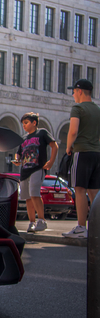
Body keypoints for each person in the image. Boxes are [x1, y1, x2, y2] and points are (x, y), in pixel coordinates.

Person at [62, 79, 100, 238]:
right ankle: (97, 227)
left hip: (82, 152)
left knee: (79, 190)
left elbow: (73, 131)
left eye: (74, 91)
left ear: (80, 91)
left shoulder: (77, 108)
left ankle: (80, 227)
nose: (73, 94)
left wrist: (69, 147)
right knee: (94, 192)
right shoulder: (98, 110)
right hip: (97, 153)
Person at [11, 112, 57, 233]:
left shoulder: (42, 133)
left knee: (34, 193)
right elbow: (19, 152)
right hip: (24, 171)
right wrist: (17, 159)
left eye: (26, 123)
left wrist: (51, 162)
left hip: (37, 168)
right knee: (27, 198)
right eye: (23, 124)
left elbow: (54, 146)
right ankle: (32, 223)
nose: (24, 126)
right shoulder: (24, 138)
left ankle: (41, 221)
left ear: (34, 123)